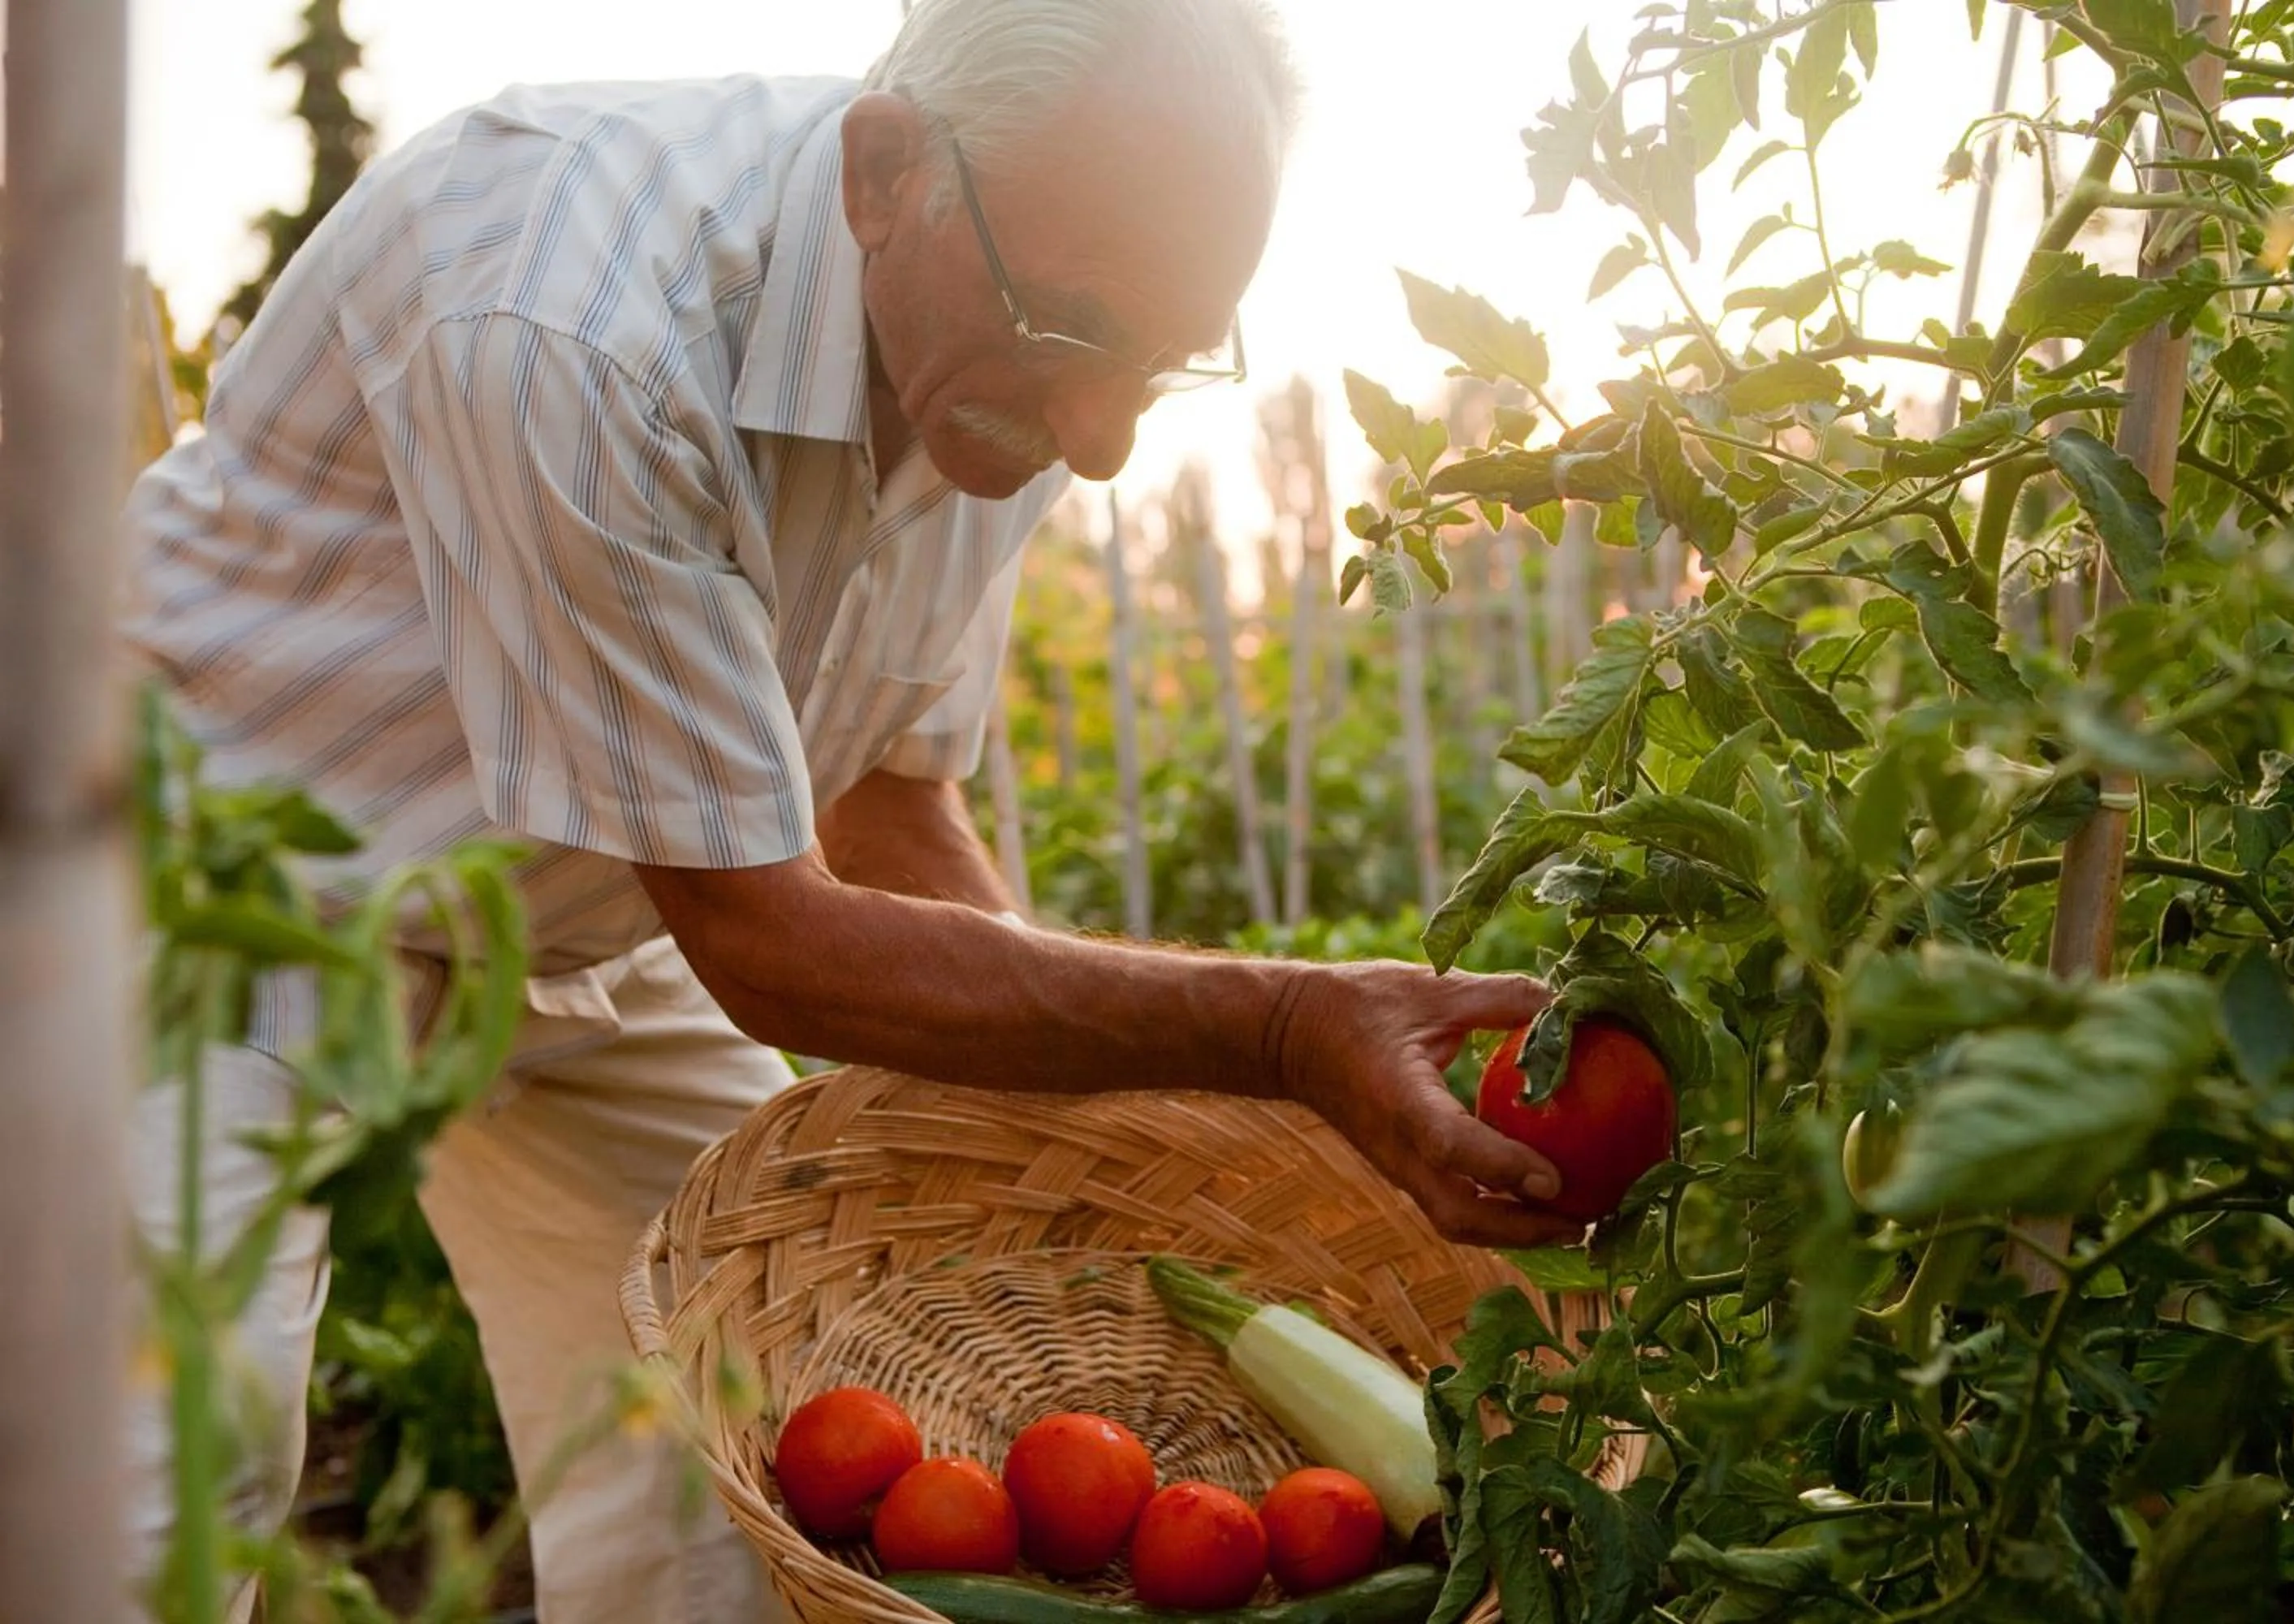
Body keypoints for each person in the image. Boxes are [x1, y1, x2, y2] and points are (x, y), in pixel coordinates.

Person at [119, 0, 1583, 1618]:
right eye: (1075, 332)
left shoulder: (1005, 340)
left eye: (1159, 364)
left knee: (735, 1463)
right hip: (214, 874)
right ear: (884, 176)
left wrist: (1119, 1145)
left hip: (595, 901)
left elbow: (889, 800)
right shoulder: (578, 314)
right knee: (149, 1503)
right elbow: (768, 937)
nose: (1100, 445)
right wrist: (1279, 1030)